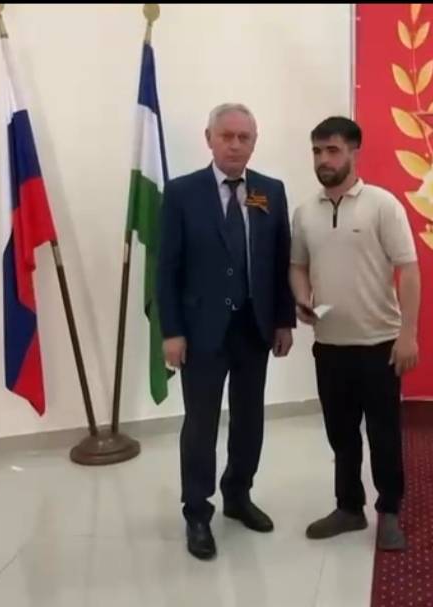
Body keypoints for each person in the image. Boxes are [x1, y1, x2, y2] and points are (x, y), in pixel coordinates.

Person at [157, 103, 296, 561]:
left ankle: (238, 494)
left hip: (254, 328)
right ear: (209, 139)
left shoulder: (270, 191)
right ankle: (197, 511)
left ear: (254, 141)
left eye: (244, 137)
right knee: (200, 424)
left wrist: (283, 320)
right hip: (201, 332)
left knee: (249, 418)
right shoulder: (182, 193)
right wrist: (171, 331)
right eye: (227, 136)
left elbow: (279, 260)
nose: (235, 145)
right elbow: (167, 269)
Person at [289, 116, 421, 551]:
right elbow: (298, 265)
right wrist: (302, 296)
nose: (323, 160)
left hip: (380, 345)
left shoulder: (383, 205)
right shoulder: (305, 213)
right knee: (341, 435)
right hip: (329, 346)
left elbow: (409, 270)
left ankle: (390, 511)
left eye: (332, 150)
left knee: (383, 435)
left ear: (353, 153)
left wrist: (408, 334)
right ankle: (348, 508)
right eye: (316, 151)